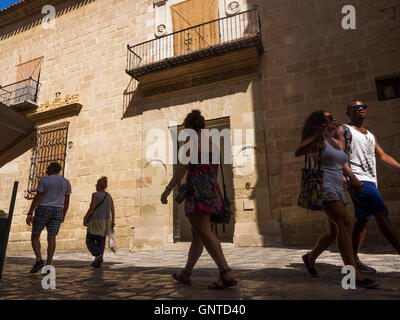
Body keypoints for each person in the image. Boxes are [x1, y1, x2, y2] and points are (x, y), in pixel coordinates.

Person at [295, 110, 378, 288]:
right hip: (325, 187)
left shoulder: (333, 140)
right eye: (330, 118)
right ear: (322, 122)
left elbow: (342, 163)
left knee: (335, 232)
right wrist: (316, 138)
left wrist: (353, 179)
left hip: (338, 188)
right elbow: (299, 151)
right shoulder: (318, 140)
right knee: (345, 224)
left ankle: (310, 257)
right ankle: (352, 274)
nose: (335, 119)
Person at [160, 109, 237, 289]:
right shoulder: (213, 144)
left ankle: (226, 273)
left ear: (188, 126)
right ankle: (186, 274)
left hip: (197, 192)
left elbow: (182, 167)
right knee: (198, 235)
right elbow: (215, 171)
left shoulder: (190, 141)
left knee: (204, 232)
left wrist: (168, 188)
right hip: (211, 190)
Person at [334, 100, 400, 272]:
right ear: (348, 112)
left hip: (370, 180)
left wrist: (399, 167)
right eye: (355, 108)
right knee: (382, 213)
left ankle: (352, 259)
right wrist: (352, 177)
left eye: (363, 107)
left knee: (363, 219)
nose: (360, 110)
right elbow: (339, 155)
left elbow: (383, 156)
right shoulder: (343, 129)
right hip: (359, 180)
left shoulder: (369, 134)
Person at [26, 162, 71, 273]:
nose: (46, 169)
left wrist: (30, 212)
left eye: (48, 167)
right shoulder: (66, 182)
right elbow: (67, 201)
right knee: (52, 238)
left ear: (52, 169)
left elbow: (38, 197)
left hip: (44, 208)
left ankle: (38, 259)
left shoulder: (44, 180)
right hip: (58, 210)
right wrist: (63, 214)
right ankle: (49, 264)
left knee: (35, 235)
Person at [83, 176, 115, 268]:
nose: (95, 186)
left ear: (99, 185)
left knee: (89, 240)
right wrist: (113, 221)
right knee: (101, 241)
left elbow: (92, 208)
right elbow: (112, 209)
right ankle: (98, 261)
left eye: (96, 184)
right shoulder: (109, 196)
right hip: (105, 222)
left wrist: (85, 217)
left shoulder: (95, 195)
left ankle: (98, 255)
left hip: (95, 221)